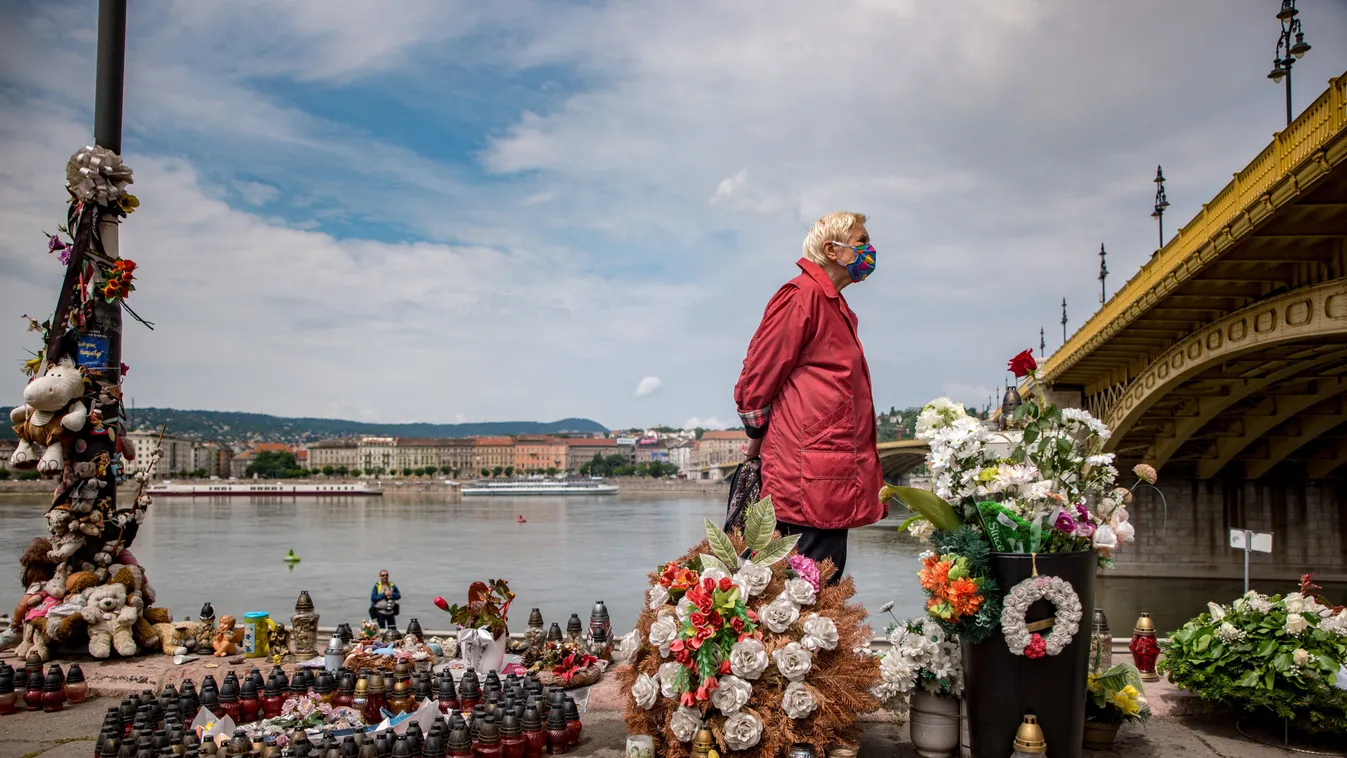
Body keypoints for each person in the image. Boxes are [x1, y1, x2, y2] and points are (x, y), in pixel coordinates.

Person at [733, 211, 886, 583]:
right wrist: (756, 436)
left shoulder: (830, 303)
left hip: (826, 466)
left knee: (819, 578)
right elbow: (758, 374)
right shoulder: (802, 296)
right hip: (808, 470)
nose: (870, 251)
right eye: (862, 242)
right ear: (832, 250)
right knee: (808, 583)